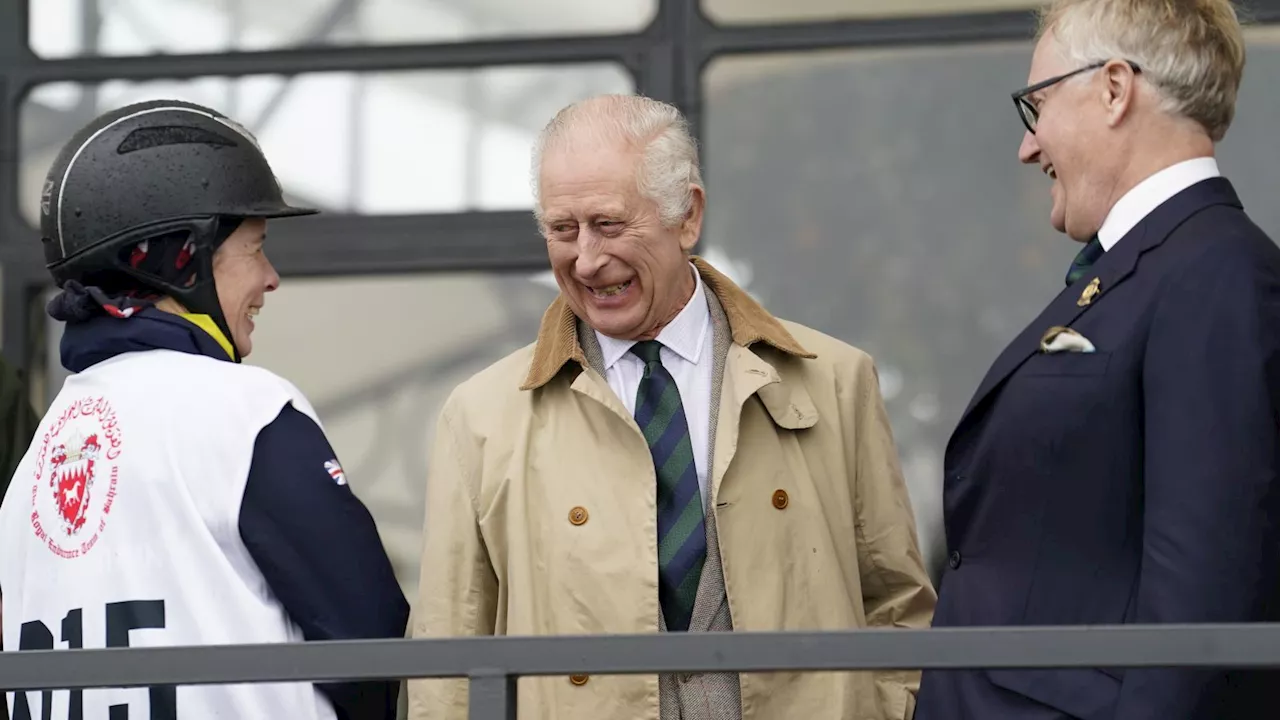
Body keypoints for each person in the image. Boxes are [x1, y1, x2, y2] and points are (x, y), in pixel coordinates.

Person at [407, 94, 936, 720]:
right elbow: (447, 662)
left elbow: (898, 611)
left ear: (687, 216)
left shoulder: (836, 383)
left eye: (608, 224)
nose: (585, 259)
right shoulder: (481, 419)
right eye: (561, 229)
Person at [915, 1, 1280, 718]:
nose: (1029, 146)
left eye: (1038, 104)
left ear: (1114, 88)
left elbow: (1201, 605)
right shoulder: (1151, 271)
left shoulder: (1217, 275)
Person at [0, 100, 409, 720]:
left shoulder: (35, 461)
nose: (271, 278)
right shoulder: (245, 411)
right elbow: (372, 632)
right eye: (255, 248)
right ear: (182, 258)